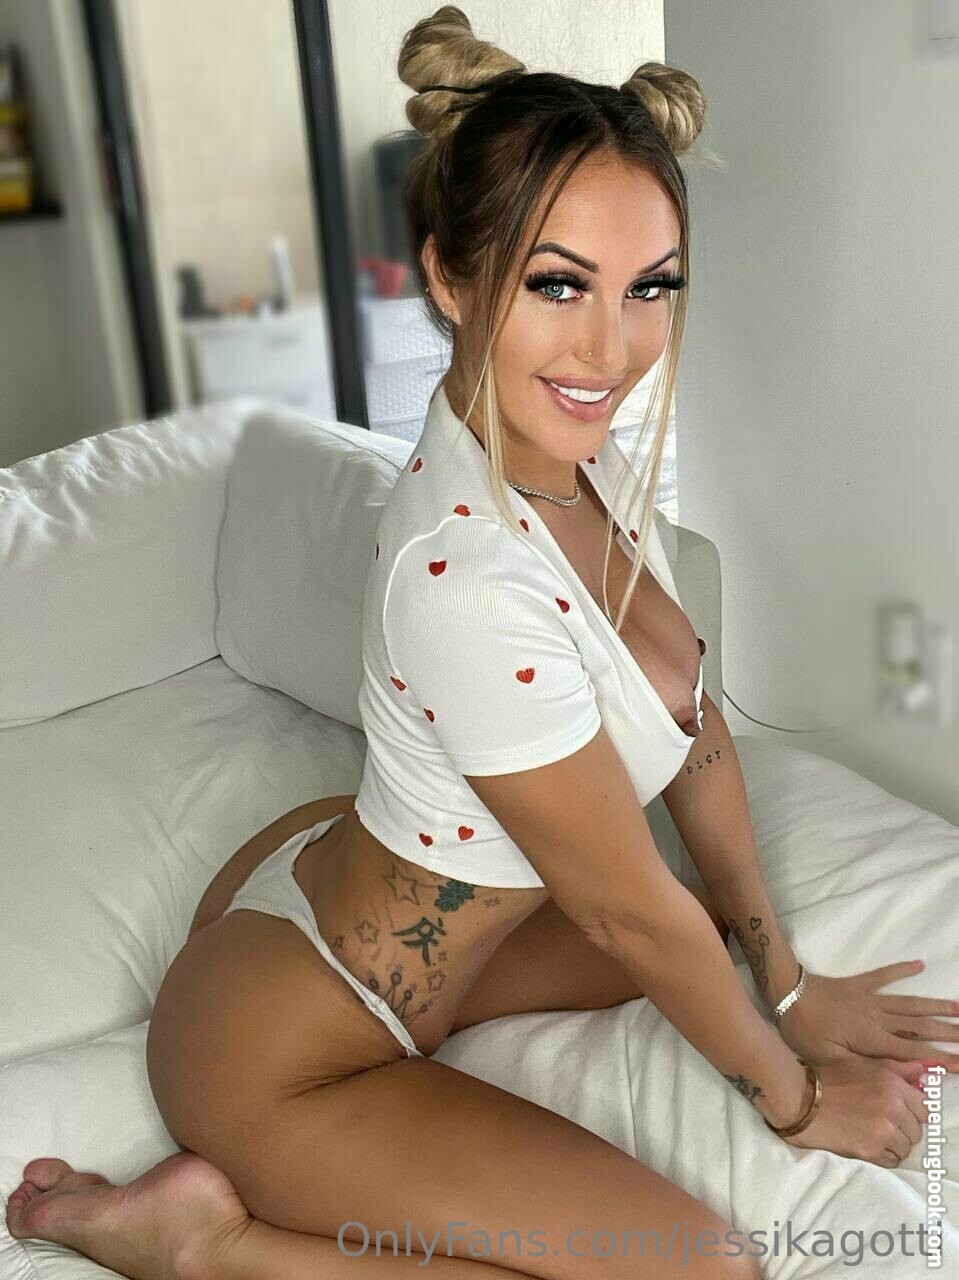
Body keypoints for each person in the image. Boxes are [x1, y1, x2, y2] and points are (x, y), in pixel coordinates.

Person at [7, 7, 954, 1278]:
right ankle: (204, 1242)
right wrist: (794, 1097)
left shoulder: (578, 465)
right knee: (703, 1269)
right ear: (449, 280)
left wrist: (784, 984)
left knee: (697, 934)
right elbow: (625, 915)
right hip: (280, 1048)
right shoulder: (464, 577)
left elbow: (691, 723)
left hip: (348, 899)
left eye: (649, 286)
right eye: (556, 283)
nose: (611, 348)